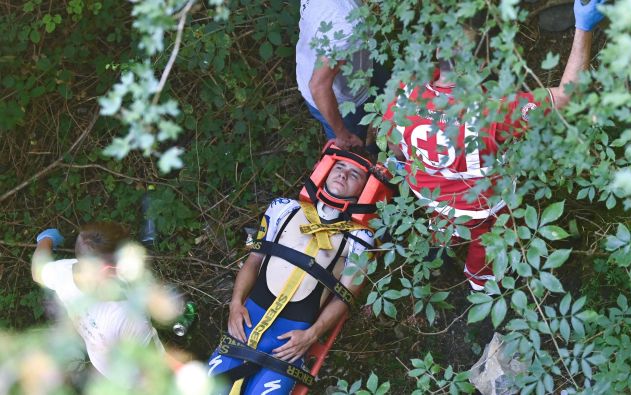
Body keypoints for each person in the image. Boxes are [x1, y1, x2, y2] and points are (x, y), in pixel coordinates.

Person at [383, 0, 605, 291]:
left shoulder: (406, 92)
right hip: (481, 207)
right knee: (487, 240)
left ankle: (439, 249)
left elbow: (394, 143)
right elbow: (566, 97)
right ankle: (480, 280)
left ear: (438, 53)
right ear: (482, 64)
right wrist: (584, 27)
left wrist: (404, 162)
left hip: (429, 193)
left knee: (442, 223)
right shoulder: (494, 112)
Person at [207, 144, 393, 394]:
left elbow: (346, 298)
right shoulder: (281, 208)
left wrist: (311, 335)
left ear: (365, 189)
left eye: (355, 174)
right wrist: (235, 304)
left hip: (290, 343)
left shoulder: (361, 239)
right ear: (326, 170)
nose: (343, 175)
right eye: (339, 167)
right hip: (244, 325)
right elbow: (253, 259)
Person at [31, 222, 167, 383]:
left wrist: (46, 239)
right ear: (108, 269)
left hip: (102, 364)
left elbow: (37, 271)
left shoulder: (63, 272)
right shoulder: (128, 315)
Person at [296, 0, 387, 150]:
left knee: (389, 89)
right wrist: (342, 133)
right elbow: (319, 87)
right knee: (359, 147)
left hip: (357, 66)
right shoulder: (346, 23)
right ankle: (375, 157)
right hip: (342, 101)